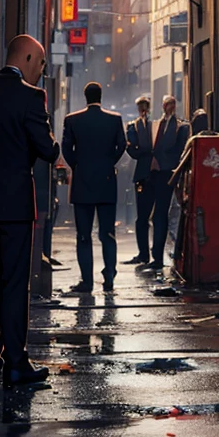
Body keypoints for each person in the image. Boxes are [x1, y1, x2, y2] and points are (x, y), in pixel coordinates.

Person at [0, 34, 58, 388]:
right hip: (16, 206)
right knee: (14, 284)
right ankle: (16, 363)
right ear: (26, 58)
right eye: (39, 64)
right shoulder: (31, 96)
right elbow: (48, 150)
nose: (40, 71)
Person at [61, 82, 126, 293]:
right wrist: (109, 163)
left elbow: (66, 148)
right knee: (107, 234)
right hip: (107, 182)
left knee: (83, 235)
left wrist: (77, 166)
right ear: (101, 96)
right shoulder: (114, 120)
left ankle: (87, 282)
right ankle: (109, 278)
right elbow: (122, 145)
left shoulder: (72, 120)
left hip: (82, 183)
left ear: (85, 96)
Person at [169, 108, 216, 268]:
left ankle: (179, 258)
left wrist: (179, 192)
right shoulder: (213, 138)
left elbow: (182, 167)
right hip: (208, 193)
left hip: (191, 191)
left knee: (182, 226)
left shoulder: (193, 141)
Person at [147, 95, 189, 270]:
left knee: (167, 214)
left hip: (171, 172)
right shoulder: (158, 124)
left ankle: (165, 255)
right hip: (158, 173)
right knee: (159, 215)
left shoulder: (180, 126)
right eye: (166, 104)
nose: (169, 107)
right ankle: (157, 255)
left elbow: (177, 147)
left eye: (171, 104)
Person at [124, 96, 154, 265]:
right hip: (153, 172)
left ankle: (144, 254)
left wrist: (138, 149)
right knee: (150, 216)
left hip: (143, 172)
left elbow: (133, 151)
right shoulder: (155, 125)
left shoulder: (134, 126)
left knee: (142, 217)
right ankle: (150, 254)